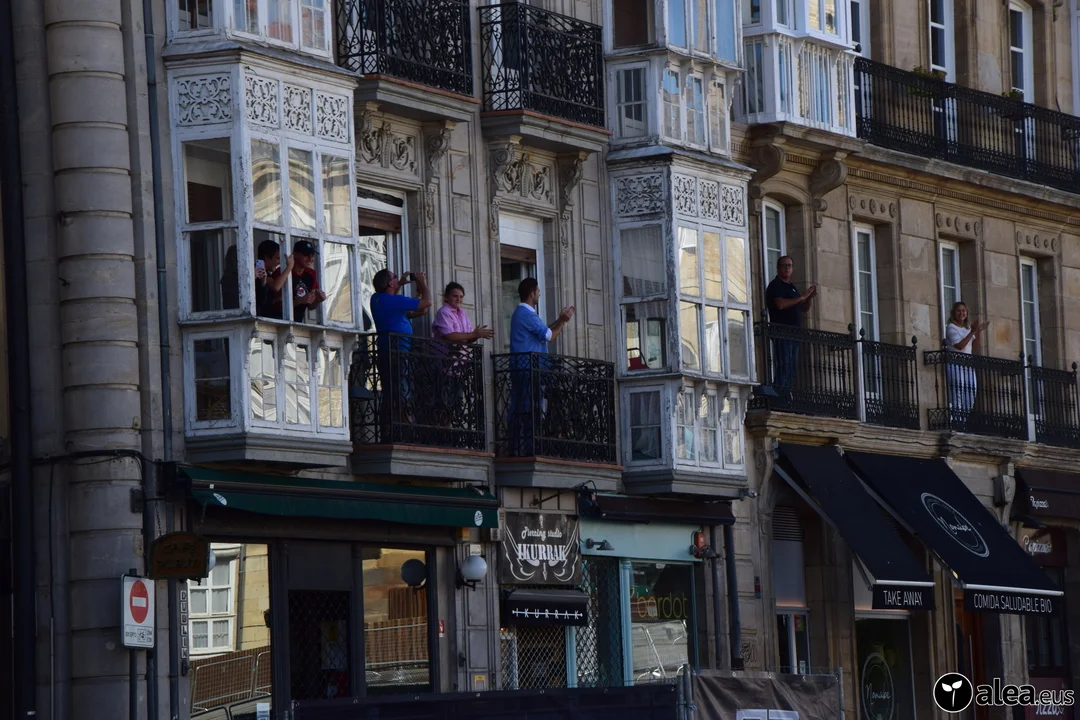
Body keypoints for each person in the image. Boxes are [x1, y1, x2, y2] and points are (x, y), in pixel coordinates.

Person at [507, 278, 575, 456]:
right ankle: (527, 448)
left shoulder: (524, 313)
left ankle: (526, 446)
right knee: (529, 410)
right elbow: (550, 336)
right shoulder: (526, 313)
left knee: (528, 408)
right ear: (531, 293)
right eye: (538, 291)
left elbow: (545, 332)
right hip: (528, 370)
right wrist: (563, 322)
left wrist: (559, 320)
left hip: (529, 369)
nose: (539, 293)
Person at [369, 269, 431, 432]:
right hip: (399, 350)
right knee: (403, 389)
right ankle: (405, 427)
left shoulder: (376, 299)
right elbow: (427, 303)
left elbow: (420, 311)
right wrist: (422, 283)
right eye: (395, 277)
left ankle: (391, 427)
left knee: (391, 390)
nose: (398, 279)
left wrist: (401, 284)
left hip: (387, 350)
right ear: (390, 283)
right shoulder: (393, 300)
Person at [432, 282, 493, 430]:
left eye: (461, 297)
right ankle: (442, 434)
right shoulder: (444, 312)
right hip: (446, 367)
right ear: (447, 297)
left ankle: (450, 434)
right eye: (455, 296)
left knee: (456, 405)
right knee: (443, 404)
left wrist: (476, 335)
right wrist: (473, 334)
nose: (458, 299)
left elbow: (467, 337)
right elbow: (450, 336)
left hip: (459, 367)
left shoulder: (463, 313)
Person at [765, 255, 816, 392]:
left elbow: (803, 308)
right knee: (784, 365)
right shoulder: (775, 285)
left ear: (793, 269)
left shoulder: (792, 287)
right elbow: (780, 304)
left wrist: (808, 298)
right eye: (784, 265)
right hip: (782, 332)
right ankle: (779, 394)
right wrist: (802, 297)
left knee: (791, 368)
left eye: (789, 265)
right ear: (778, 268)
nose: (787, 268)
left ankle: (786, 394)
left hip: (793, 333)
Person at [945, 301, 988, 425]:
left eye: (963, 310)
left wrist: (977, 331)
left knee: (971, 392)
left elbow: (974, 347)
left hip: (967, 365)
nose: (961, 313)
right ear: (953, 313)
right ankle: (956, 420)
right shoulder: (951, 328)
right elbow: (959, 346)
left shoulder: (967, 329)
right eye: (958, 310)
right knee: (958, 391)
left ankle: (964, 421)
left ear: (967, 313)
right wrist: (972, 332)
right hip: (956, 364)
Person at [289, 240, 326, 323]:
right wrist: (300, 300)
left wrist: (318, 300)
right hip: (280, 321)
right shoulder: (283, 272)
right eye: (306, 255)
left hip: (298, 323)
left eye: (312, 255)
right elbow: (277, 305)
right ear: (295, 255)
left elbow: (310, 306)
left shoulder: (311, 274)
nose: (310, 259)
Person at [254, 238, 291, 319]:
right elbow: (275, 287)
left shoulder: (268, 274)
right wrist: (289, 267)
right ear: (267, 257)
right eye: (277, 258)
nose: (279, 262)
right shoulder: (255, 272)